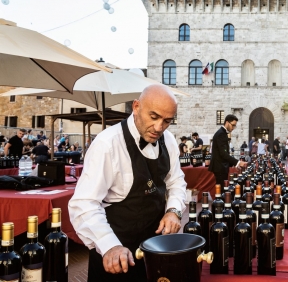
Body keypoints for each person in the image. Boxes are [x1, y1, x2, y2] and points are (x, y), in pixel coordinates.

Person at [69, 84, 187, 282]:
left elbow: (176, 181)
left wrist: (173, 210)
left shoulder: (168, 140)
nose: (159, 128)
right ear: (136, 106)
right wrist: (109, 246)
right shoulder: (107, 143)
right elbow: (83, 204)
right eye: (154, 117)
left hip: (154, 246)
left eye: (167, 121)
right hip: (116, 251)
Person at [208, 114, 248, 186]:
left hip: (221, 166)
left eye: (234, 126)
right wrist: (237, 162)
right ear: (227, 122)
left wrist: (234, 164)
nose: (233, 128)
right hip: (220, 167)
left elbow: (224, 153)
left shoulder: (222, 133)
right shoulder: (221, 134)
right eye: (232, 125)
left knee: (223, 189)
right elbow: (223, 153)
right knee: (222, 190)